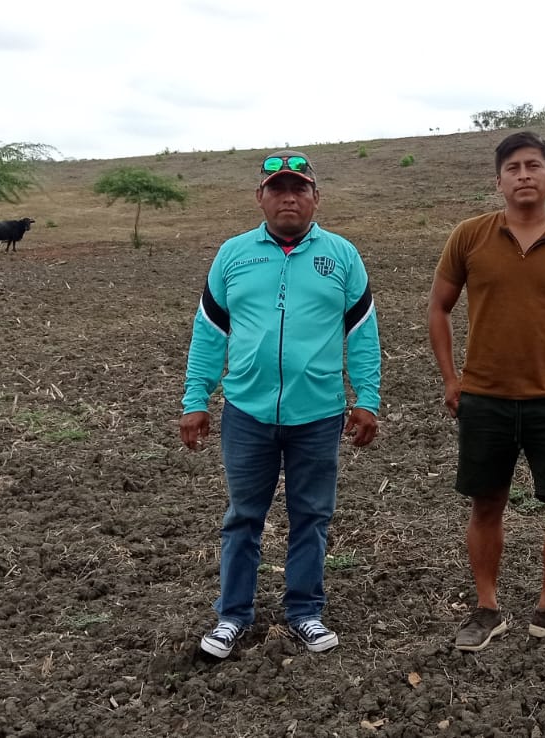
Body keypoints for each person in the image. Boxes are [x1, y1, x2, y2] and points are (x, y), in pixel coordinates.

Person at [179, 149, 381, 658]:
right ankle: (232, 616)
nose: (288, 198)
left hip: (318, 414)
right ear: (260, 198)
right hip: (246, 413)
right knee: (243, 517)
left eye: (298, 189)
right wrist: (195, 398)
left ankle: (305, 612)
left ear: (316, 198)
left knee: (311, 515)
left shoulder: (342, 256)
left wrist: (368, 398)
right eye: (277, 190)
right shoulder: (233, 255)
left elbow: (362, 333)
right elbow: (209, 333)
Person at [427, 131, 545, 651]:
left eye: (533, 165)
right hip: (484, 399)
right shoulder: (469, 236)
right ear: (499, 181)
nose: (524, 175)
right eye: (513, 168)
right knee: (487, 505)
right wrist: (451, 379)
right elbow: (438, 307)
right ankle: (487, 609)